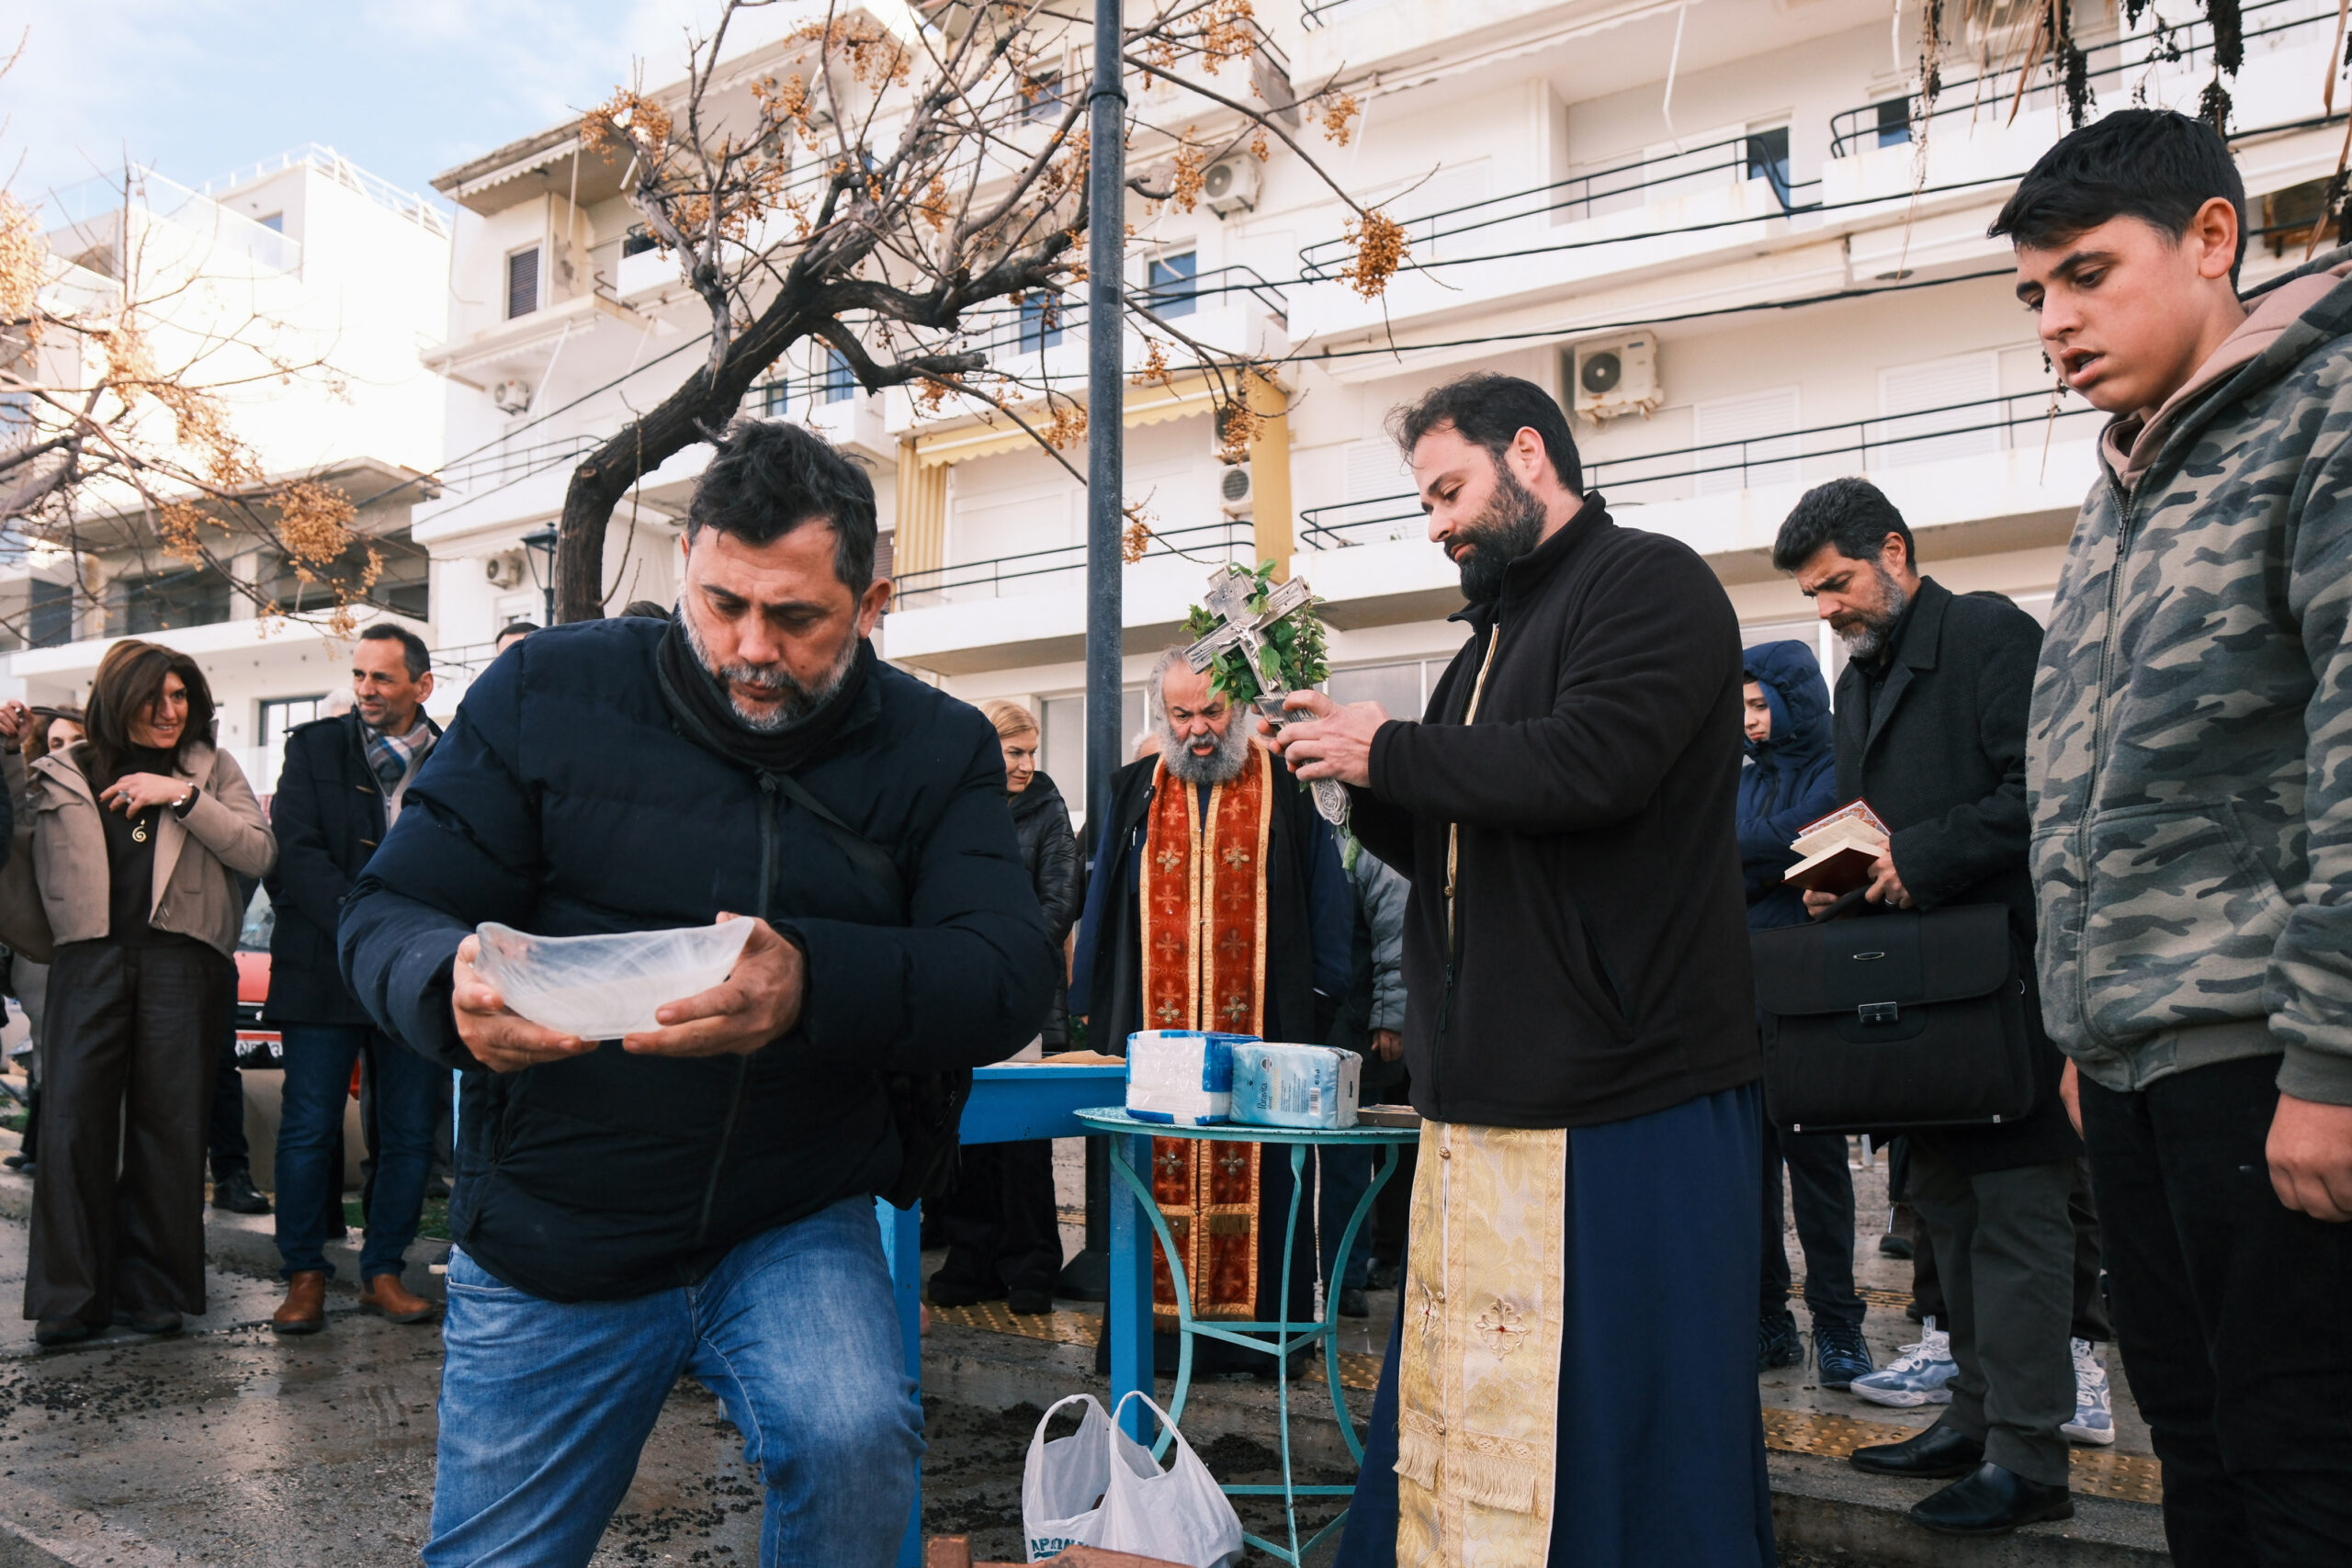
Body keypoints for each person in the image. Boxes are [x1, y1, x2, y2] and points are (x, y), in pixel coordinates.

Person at [338, 417, 1056, 1567]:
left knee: (856, 1443)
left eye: (797, 617)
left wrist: (811, 980)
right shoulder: (545, 690)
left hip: (792, 1210)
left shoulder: (936, 746)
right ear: (685, 565)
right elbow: (387, 910)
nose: (750, 649)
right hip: (559, 1220)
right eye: (723, 604)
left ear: (872, 602)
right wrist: (443, 980)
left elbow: (1007, 972)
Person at [1279, 372, 1774, 1565]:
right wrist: (1350, 771)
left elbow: (1594, 765)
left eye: (1449, 490)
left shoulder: (1649, 582)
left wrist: (1392, 750)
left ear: (1530, 455)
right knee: (1468, 1421)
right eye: (1426, 500)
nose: (1436, 523)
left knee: (1624, 1422)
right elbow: (1462, 841)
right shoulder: (1485, 641)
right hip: (1488, 1092)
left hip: (1622, 1087)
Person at [1997, 109, 2352, 1562]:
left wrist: (2334, 1057)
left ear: (2213, 239)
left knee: (2304, 1459)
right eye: (2036, 294)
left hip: (2272, 1053)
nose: (2055, 322)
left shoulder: (2324, 413)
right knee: (2193, 1450)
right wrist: (2082, 1029)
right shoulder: (2122, 484)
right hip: (2132, 1066)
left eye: (2087, 274)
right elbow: (2083, 783)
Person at [1772, 479, 2083, 1537]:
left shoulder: (1990, 634)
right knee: (1946, 1214)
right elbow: (1875, 823)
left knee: (2018, 1223)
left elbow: (2042, 793)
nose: (1828, 611)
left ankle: (2029, 1458)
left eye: (1838, 585)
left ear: (1895, 553)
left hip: (2005, 987)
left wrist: (1918, 856)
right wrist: (1838, 879)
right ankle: (1975, 1420)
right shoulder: (1858, 677)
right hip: (1923, 999)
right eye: (1813, 597)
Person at [1069, 648, 1350, 1368]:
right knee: (1148, 1178)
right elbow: (1102, 901)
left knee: (1267, 1184)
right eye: (1181, 713)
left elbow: (1326, 894)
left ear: (1240, 707)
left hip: (1263, 1033)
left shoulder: (1287, 785)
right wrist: (1092, 1000)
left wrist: (1321, 1000)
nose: (1197, 728)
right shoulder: (1135, 787)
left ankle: (1256, 1345)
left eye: (1212, 711)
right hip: (1159, 1042)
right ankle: (1155, 1342)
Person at [22, 641, 275, 1345]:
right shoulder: (63, 768)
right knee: (73, 1127)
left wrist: (183, 797)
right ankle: (70, 1298)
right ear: (117, 697)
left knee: (170, 1127)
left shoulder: (211, 766)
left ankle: (155, 1290)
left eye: (180, 695)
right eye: (154, 696)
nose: (170, 711)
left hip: (181, 961)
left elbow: (258, 850)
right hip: (86, 960)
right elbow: (16, 843)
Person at [264, 625, 449, 1335]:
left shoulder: (457, 755)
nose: (366, 689)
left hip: (416, 969)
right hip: (324, 963)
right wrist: (363, 924)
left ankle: (383, 1272)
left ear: (421, 685)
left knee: (408, 1129)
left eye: (382, 677)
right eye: (360, 675)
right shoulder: (313, 747)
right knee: (309, 1125)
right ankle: (304, 1274)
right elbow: (296, 850)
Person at [1736, 640, 1873, 1391]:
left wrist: (1757, 853)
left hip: (1811, 996)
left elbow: (1814, 835)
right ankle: (1768, 1319)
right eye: (1744, 707)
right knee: (1751, 1169)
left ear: (1794, 697)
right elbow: (1749, 854)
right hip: (1742, 994)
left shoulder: (1836, 764)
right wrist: (1773, 857)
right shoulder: (1742, 779)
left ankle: (1839, 1323)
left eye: (1763, 703)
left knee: (1817, 1166)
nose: (1752, 720)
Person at [926, 699, 1079, 1315]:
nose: (1026, 764)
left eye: (1032, 751)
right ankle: (974, 1257)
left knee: (1024, 1141)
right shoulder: (954, 804)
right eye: (1015, 751)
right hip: (966, 994)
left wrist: (1001, 957)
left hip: (1023, 995)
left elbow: (1061, 898)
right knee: (967, 1130)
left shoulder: (1047, 807)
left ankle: (1031, 1263)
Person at [1317, 831, 1407, 1319]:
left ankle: (1345, 1278)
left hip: (1352, 1029)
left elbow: (1395, 931)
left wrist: (1390, 1017)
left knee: (1348, 1166)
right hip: (1313, 1026)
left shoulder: (1363, 842)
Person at [5, 705, 76, 1176]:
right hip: (42, 949)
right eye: (55, 743)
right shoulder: (38, 791)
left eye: (76, 741)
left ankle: (50, 1149)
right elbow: (13, 817)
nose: (65, 752)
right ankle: (41, 1146)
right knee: (45, 1047)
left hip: (92, 946)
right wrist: (12, 750)